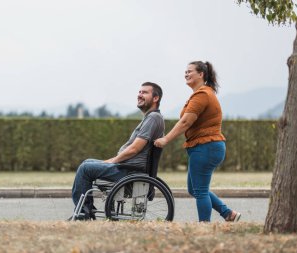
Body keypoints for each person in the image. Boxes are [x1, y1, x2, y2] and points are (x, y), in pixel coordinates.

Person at [154, 61, 241, 222]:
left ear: (201, 74)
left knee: (200, 190)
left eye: (190, 71)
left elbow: (186, 122)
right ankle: (228, 213)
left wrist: (166, 139)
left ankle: (204, 226)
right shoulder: (203, 93)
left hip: (205, 147)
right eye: (185, 71)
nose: (186, 74)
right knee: (194, 189)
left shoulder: (202, 95)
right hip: (205, 147)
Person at [71, 82, 165, 220]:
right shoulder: (151, 118)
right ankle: (86, 210)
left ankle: (84, 214)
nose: (139, 95)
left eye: (144, 92)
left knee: (85, 168)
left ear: (155, 98)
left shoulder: (153, 118)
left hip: (130, 171)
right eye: (139, 92)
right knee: (88, 162)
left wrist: (112, 161)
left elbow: (135, 148)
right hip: (128, 168)